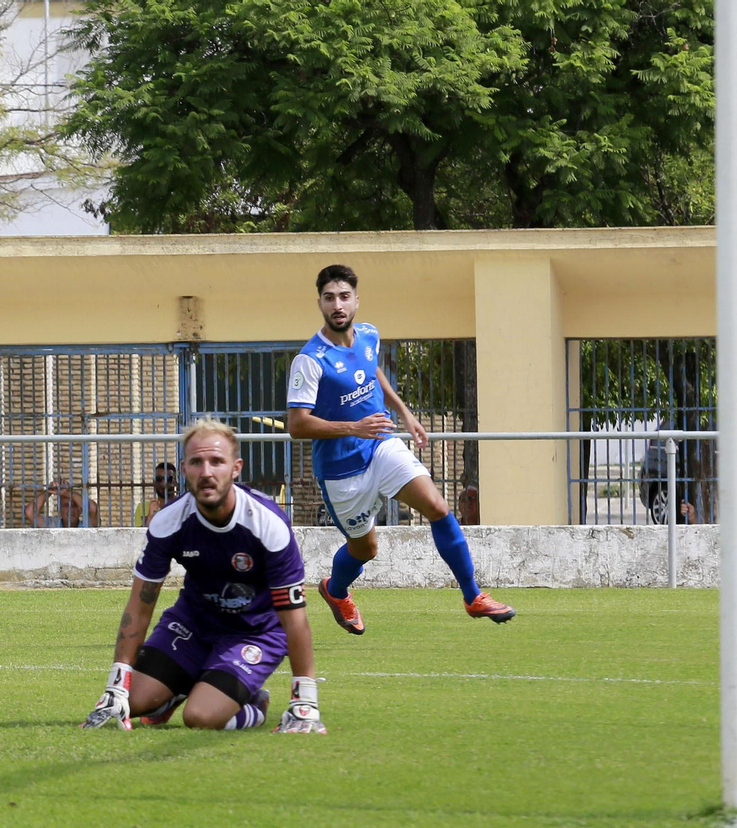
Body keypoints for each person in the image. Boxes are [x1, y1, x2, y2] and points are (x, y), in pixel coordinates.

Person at [287, 264, 515, 634]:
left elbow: (373, 370)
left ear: (356, 301)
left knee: (438, 507)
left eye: (344, 296)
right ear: (320, 304)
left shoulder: (369, 335)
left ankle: (473, 596)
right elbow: (297, 424)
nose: (338, 305)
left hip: (381, 447)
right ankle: (336, 589)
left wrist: (404, 412)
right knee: (365, 550)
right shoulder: (310, 360)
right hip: (341, 471)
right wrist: (353, 427)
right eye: (330, 298)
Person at [81, 419, 325, 734]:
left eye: (216, 462)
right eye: (196, 462)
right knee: (134, 701)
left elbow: (294, 619)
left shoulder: (269, 526)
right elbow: (140, 606)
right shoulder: (168, 521)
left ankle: (255, 705)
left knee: (200, 717)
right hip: (192, 625)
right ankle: (174, 691)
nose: (206, 472)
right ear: (184, 469)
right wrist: (116, 685)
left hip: (254, 633)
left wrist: (305, 702)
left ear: (236, 468)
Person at [26, 478, 99, 528]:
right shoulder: (52, 525)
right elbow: (30, 512)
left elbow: (93, 509)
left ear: (81, 509)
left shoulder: (87, 525)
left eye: (75, 505)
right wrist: (50, 490)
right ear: (59, 509)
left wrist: (67, 492)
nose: (71, 509)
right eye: (66, 505)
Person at [133, 460, 179, 526]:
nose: (163, 483)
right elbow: (138, 535)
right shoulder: (142, 508)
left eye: (168, 478)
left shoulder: (182, 505)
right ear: (154, 482)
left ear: (175, 481)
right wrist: (149, 517)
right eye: (159, 479)